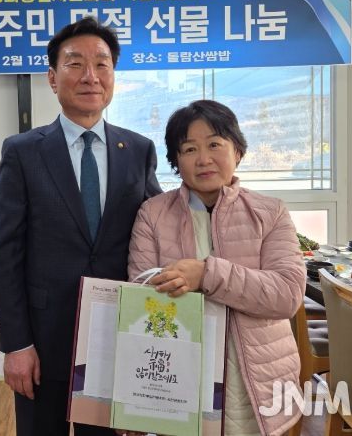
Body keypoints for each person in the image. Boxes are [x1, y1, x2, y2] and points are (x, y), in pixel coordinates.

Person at [0, 17, 162, 436]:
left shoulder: (138, 150)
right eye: (75, 64)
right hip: (42, 338)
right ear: (52, 78)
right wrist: (16, 344)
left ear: (113, 76)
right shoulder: (22, 152)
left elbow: (161, 226)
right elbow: (5, 254)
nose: (90, 76)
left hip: (116, 334)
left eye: (102, 64)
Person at [128, 100, 305, 436]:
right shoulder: (152, 215)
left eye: (214, 144)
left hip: (257, 383)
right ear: (176, 161)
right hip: (177, 381)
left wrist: (206, 275)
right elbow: (140, 303)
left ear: (237, 150)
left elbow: (287, 295)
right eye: (189, 149)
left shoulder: (270, 212)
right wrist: (134, 398)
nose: (203, 159)